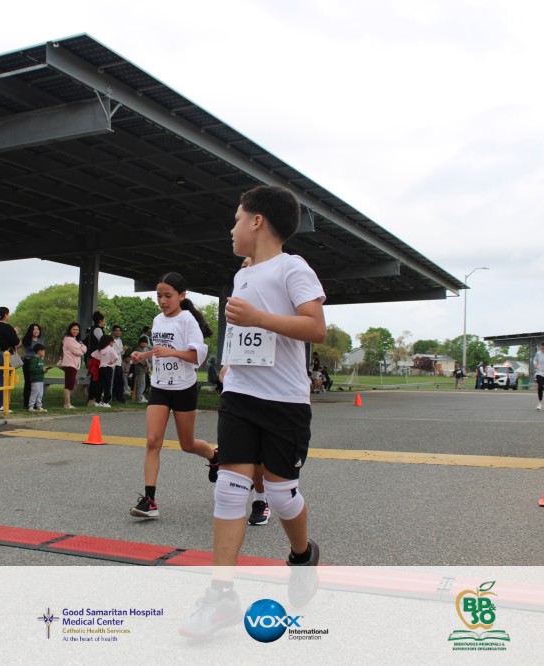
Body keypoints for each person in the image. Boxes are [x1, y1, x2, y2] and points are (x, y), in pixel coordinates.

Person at [180, 185, 325, 638]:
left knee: (280, 496)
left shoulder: (293, 267)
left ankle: (302, 556)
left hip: (284, 402)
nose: (232, 228)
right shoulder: (243, 273)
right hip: (240, 395)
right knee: (228, 490)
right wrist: (229, 362)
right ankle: (221, 595)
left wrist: (259, 318)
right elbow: (243, 332)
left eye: (237, 219)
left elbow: (316, 327)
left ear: (257, 221)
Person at [129, 272, 214, 520]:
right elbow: (160, 350)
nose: (163, 301)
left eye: (168, 296)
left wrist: (173, 352)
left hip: (184, 388)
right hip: (159, 387)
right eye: (159, 296)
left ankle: (214, 457)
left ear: (182, 296)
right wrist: (144, 355)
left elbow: (197, 357)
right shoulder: (157, 320)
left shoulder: (188, 321)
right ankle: (149, 500)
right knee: (153, 440)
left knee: (187, 444)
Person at [0, 307, 20, 413]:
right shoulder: (7, 327)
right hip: (3, 355)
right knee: (2, 381)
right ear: (5, 315)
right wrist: (14, 332)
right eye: (8, 314)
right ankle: (1, 405)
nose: (9, 316)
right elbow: (16, 342)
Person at [59, 322, 87, 409]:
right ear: (70, 330)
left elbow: (85, 348)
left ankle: (68, 403)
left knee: (70, 384)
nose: (75, 331)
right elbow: (78, 351)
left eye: (77, 330)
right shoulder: (68, 339)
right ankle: (67, 404)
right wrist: (81, 349)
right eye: (74, 329)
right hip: (69, 364)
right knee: (68, 384)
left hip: (74, 364)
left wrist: (81, 348)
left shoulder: (76, 340)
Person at [90, 334, 119, 408]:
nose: (113, 343)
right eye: (113, 342)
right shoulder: (110, 349)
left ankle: (97, 401)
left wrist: (100, 358)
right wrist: (112, 361)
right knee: (107, 385)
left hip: (101, 368)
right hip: (108, 368)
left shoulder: (100, 349)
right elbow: (116, 357)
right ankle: (106, 402)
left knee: (100, 385)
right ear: (109, 342)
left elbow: (92, 354)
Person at [20, 323, 44, 410]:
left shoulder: (41, 341)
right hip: (28, 362)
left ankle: (37, 404)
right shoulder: (26, 340)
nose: (36, 331)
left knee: (37, 383)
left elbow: (43, 353)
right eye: (34, 329)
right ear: (31, 330)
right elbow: (16, 346)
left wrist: (41, 363)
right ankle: (27, 404)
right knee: (28, 383)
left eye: (37, 329)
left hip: (37, 362)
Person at [85, 311, 106, 406]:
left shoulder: (94, 329)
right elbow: (103, 342)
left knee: (97, 379)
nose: (104, 322)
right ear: (100, 320)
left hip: (95, 357)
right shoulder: (97, 329)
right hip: (95, 358)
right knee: (95, 379)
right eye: (104, 320)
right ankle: (91, 399)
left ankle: (96, 399)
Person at [27, 343, 50, 412]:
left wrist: (44, 371)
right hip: (35, 380)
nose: (44, 353)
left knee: (40, 394)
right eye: (43, 351)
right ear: (39, 351)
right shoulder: (34, 359)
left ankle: (39, 407)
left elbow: (40, 369)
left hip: (40, 379)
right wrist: (41, 370)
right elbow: (32, 369)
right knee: (34, 393)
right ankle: (31, 407)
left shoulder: (40, 360)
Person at [111, 325, 128, 402]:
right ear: (113, 331)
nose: (118, 332)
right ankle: (112, 396)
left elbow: (122, 353)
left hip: (119, 363)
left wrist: (123, 349)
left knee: (120, 381)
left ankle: (119, 396)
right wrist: (122, 349)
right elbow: (113, 352)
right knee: (113, 381)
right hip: (112, 363)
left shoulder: (120, 340)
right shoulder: (111, 340)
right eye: (116, 330)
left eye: (119, 331)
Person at [132, 337, 151, 403]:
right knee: (141, 385)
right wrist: (145, 365)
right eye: (142, 342)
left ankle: (139, 399)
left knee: (141, 385)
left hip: (143, 369)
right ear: (139, 343)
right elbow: (139, 359)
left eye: (145, 342)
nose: (144, 344)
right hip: (140, 369)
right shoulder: (138, 349)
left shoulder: (144, 349)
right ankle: (139, 400)